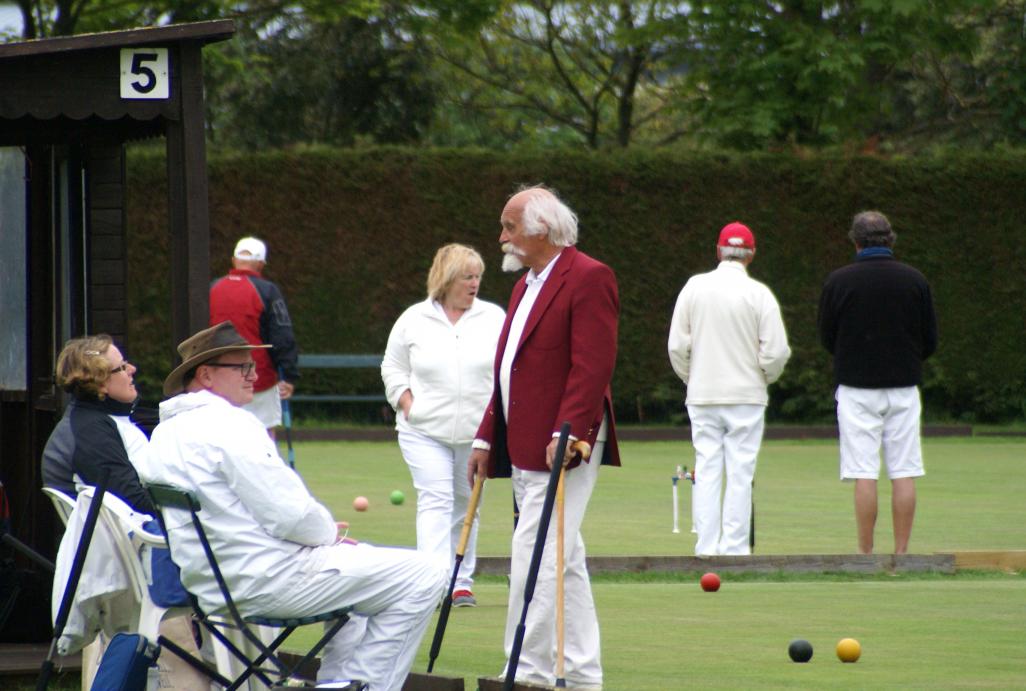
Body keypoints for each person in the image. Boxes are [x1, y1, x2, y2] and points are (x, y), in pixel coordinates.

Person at [144, 321, 446, 690]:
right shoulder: (229, 425)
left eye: (252, 366)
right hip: (268, 579)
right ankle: (364, 687)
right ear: (205, 375)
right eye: (242, 367)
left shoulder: (163, 435)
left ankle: (339, 682)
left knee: (365, 583)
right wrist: (328, 536)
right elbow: (291, 514)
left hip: (214, 586)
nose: (255, 375)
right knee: (428, 572)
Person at [467, 185, 620, 689]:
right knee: (562, 557)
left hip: (566, 446)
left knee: (535, 552)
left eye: (510, 227)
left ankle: (525, 670)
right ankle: (580, 674)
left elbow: (592, 365)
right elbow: (508, 369)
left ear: (544, 230)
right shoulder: (523, 285)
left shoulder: (590, 277)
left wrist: (567, 430)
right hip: (526, 444)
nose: (502, 237)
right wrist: (488, 437)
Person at [381, 243, 505, 608]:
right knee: (435, 501)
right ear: (447, 279)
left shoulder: (494, 317)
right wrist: (407, 403)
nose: (475, 283)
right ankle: (433, 582)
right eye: (467, 276)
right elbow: (392, 366)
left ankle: (460, 582)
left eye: (478, 276)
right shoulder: (413, 319)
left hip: (477, 433)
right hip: (422, 430)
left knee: (467, 504)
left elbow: (508, 372)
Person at [667, 222, 791, 556]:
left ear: (719, 250)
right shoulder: (759, 294)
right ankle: (735, 549)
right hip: (746, 397)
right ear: (751, 255)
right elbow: (776, 352)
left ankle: (706, 547)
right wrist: (764, 376)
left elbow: (677, 346)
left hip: (704, 394)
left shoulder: (694, 287)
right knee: (740, 471)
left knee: (707, 468)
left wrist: (691, 378)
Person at [818, 211, 937, 555]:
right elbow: (929, 339)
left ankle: (866, 555)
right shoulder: (915, 281)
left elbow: (828, 337)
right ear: (891, 240)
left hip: (856, 387)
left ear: (855, 242)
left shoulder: (839, 281)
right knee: (904, 470)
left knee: (864, 472)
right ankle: (901, 554)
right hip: (903, 386)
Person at [41, 335, 154, 514]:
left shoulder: (89, 419)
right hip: (128, 537)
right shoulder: (91, 430)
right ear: (101, 383)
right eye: (122, 367)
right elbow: (133, 501)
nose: (132, 369)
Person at [209, 236, 299, 437]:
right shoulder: (267, 291)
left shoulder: (212, 288)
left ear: (234, 261)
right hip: (259, 377)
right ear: (261, 264)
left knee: (222, 435)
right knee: (264, 436)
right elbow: (282, 336)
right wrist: (289, 374)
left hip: (216, 377)